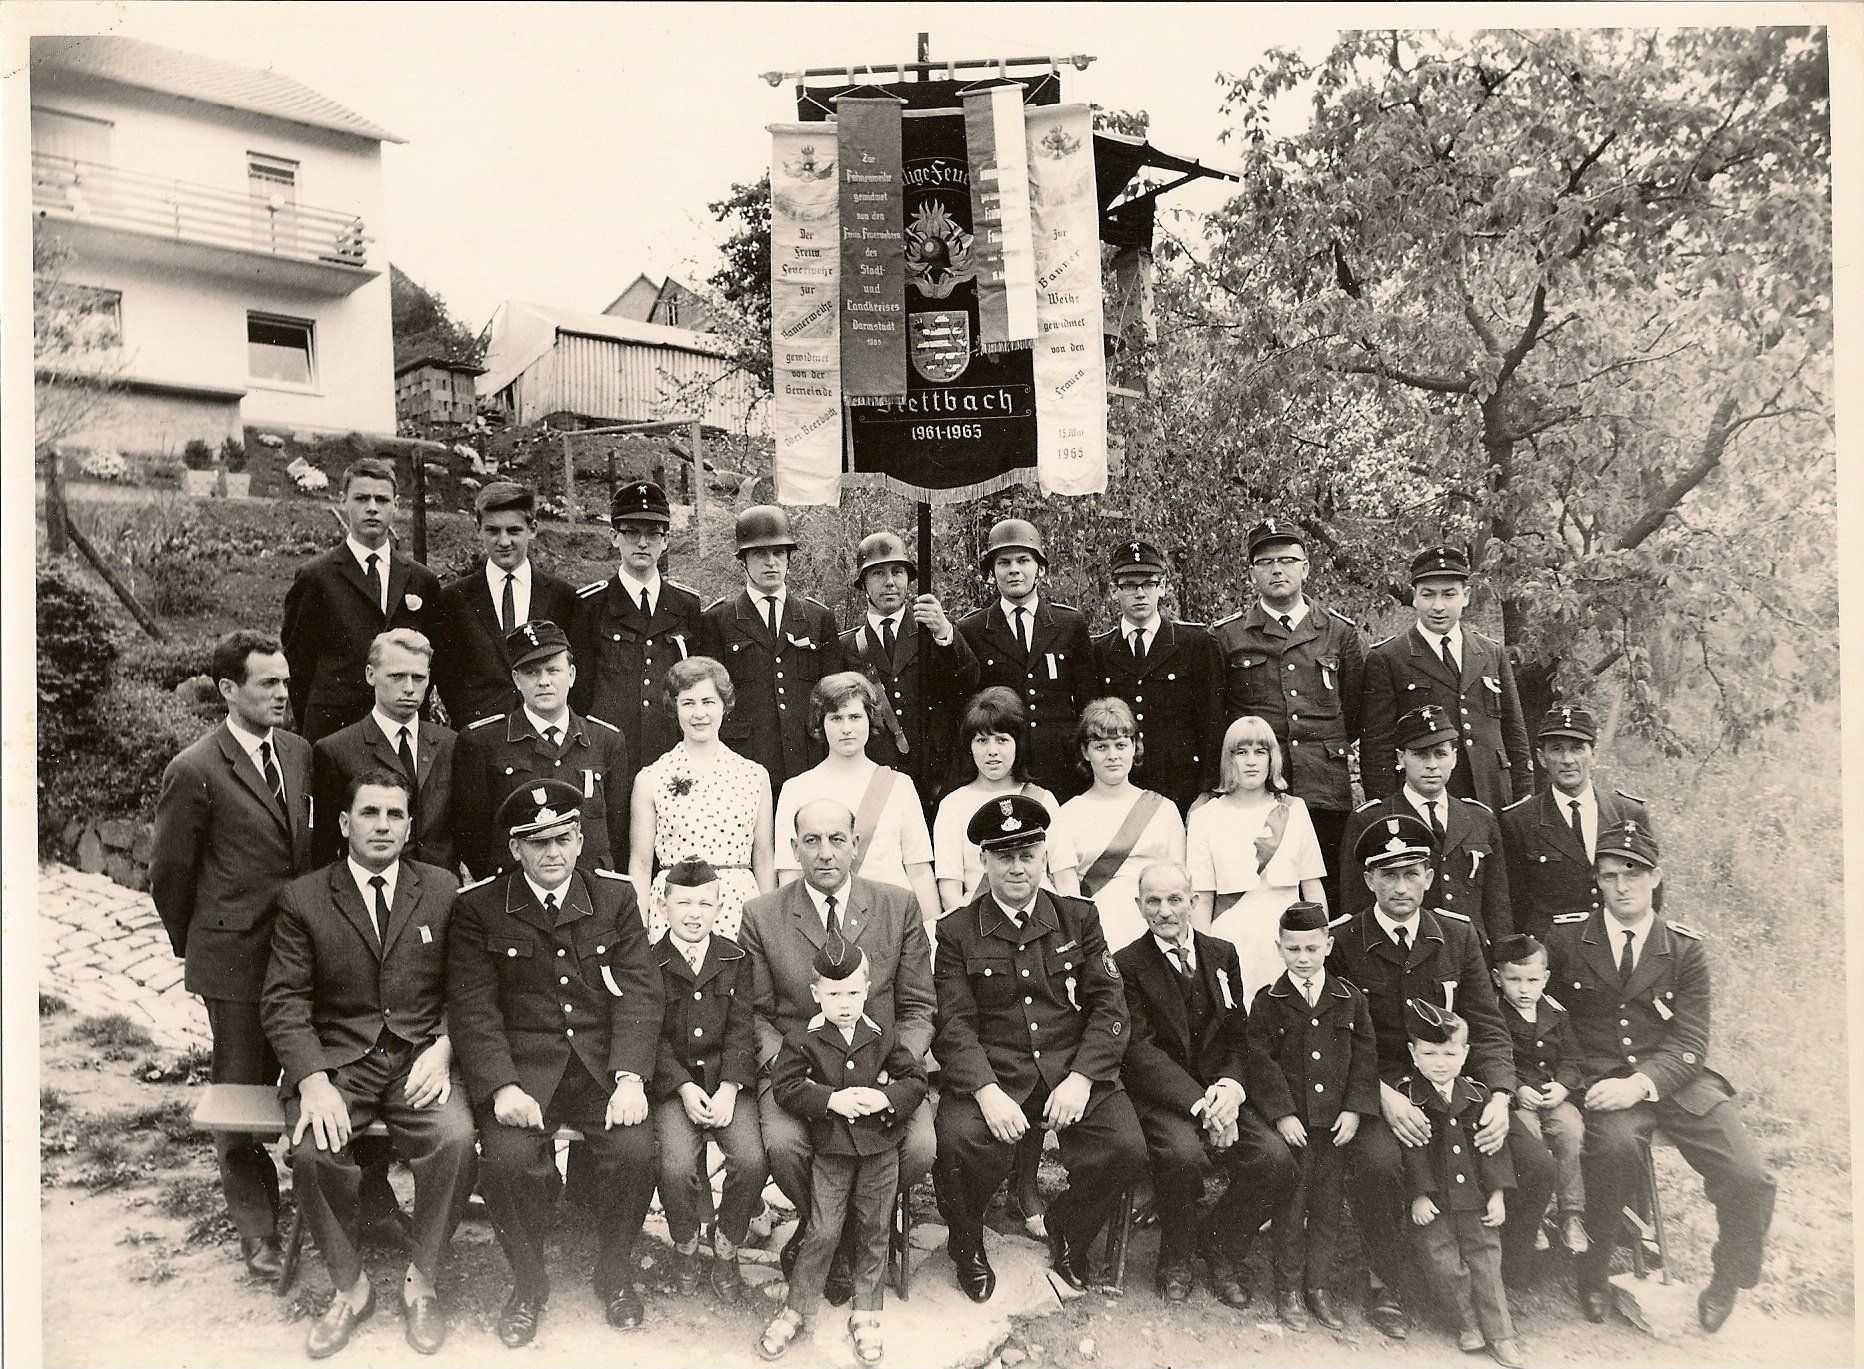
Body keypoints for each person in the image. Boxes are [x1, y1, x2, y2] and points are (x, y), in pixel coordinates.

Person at [261, 771, 477, 1358]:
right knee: (312, 1151)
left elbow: (469, 986)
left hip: (417, 1058)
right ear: (344, 823)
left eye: (395, 815)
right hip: (337, 1063)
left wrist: (445, 1045)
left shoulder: (441, 890)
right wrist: (312, 1082)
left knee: (456, 1140)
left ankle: (422, 1280)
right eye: (369, 813)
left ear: (409, 827)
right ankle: (350, 1288)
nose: (382, 826)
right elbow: (283, 1002)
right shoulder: (305, 898)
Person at [446, 780, 664, 1346]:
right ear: (515, 848)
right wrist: (500, 1087)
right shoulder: (479, 907)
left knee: (637, 1151)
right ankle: (528, 1283)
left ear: (580, 840)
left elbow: (640, 992)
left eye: (563, 838)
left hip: (599, 1069)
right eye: (537, 841)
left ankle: (614, 1274)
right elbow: (473, 1006)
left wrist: (630, 1078)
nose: (552, 852)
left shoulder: (614, 898)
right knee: (507, 1162)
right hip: (523, 1074)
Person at [1327, 813, 1553, 1340]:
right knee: (1380, 1165)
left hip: (1457, 1088)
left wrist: (1499, 1097)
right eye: (1388, 874)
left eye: (1412, 873)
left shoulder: (1457, 934)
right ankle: (1391, 1282)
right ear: (1369, 880)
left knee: (1536, 1165)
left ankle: (1493, 1280)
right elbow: (1336, 1041)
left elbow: (1489, 1026)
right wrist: (1381, 1097)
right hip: (1380, 1086)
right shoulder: (1344, 941)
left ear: (1429, 877)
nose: (1401, 887)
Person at [1547, 820, 1774, 1333]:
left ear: (1655, 877)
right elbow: (1553, 1023)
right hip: (1602, 1079)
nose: (1622, 887)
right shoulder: (1566, 939)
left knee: (1749, 1177)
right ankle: (1593, 1271)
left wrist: (1641, 1083)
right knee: (1614, 1151)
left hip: (1677, 1080)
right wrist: (1579, 1080)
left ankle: (1728, 1279)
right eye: (1609, 876)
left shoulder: (1684, 948)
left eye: (1633, 874)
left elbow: (1691, 1040)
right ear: (1597, 881)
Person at [933, 795, 1147, 1302]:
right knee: (957, 1143)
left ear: (1044, 856)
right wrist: (985, 1092)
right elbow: (954, 1025)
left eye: (1027, 855)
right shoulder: (956, 930)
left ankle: (1069, 1230)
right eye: (1004, 856)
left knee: (1126, 1147)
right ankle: (967, 1244)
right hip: (997, 1073)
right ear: (983, 860)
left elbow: (1110, 1007)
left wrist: (1083, 1079)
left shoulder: (1078, 918)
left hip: (1070, 1070)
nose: (1017, 868)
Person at [150, 631, 315, 1279]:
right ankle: (258, 1229)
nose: (283, 693)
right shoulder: (194, 768)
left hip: (300, 957)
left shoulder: (297, 752)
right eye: (267, 683)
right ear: (228, 689)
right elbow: (170, 874)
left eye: (285, 681)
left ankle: (335, 1205)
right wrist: (202, 948)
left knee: (310, 1080)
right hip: (235, 963)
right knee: (239, 1097)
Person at [737, 800, 937, 1306]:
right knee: (784, 1146)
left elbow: (918, 1006)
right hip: (798, 1072)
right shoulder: (762, 914)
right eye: (811, 841)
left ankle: (840, 1232)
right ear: (794, 847)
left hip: (882, 1067)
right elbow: (755, 1013)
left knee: (918, 1148)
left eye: (836, 840)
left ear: (855, 845)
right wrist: (798, 1074)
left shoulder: (898, 905)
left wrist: (893, 1070)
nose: (825, 853)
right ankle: (838, 1232)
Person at [1114, 862, 1294, 1307]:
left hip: (1221, 1092)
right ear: (1139, 906)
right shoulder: (1127, 964)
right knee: (1182, 1155)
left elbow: (1238, 1034)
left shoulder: (1221, 954)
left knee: (1274, 1158)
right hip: (1166, 1098)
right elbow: (1139, 1051)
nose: (1165, 911)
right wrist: (1201, 1104)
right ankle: (1176, 1256)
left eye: (1175, 900)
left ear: (1193, 902)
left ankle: (1222, 1245)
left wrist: (1230, 1087)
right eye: (1153, 901)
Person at [757, 946, 929, 1365]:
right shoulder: (803, 1038)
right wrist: (830, 1100)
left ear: (867, 990)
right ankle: (797, 1309)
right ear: (815, 994)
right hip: (832, 1153)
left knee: (874, 1229)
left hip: (880, 1152)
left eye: (853, 993)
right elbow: (785, 1087)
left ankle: (867, 1314)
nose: (845, 1004)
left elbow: (915, 1079)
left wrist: (886, 1098)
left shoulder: (883, 1034)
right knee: (823, 1229)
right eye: (834, 995)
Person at [1210, 517, 1364, 911]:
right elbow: (1219, 717)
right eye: (1265, 562)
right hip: (1257, 787)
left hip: (1323, 788)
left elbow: (1354, 713)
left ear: (1305, 568)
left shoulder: (1339, 633)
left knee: (1327, 893)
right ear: (1252, 573)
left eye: (1287, 560)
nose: (1277, 569)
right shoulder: (1228, 636)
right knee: (1259, 892)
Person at [1244, 901, 1377, 1333]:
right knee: (1290, 1207)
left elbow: (1365, 1059)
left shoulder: (1349, 999)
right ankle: (1288, 1291)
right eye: (1293, 949)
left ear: (1328, 946)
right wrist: (1282, 1115)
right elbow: (1260, 1061)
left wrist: (1354, 1110)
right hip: (1296, 1129)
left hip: (1334, 1129)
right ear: (1279, 948)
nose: (1303, 958)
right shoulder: (1269, 1002)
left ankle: (1317, 1288)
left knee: (1326, 1209)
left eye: (1312, 949)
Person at [651, 858, 765, 1302]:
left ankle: (727, 1245)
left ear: (720, 908)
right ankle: (685, 1244)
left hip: (727, 1085)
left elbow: (742, 1029)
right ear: (663, 907)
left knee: (752, 1161)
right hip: (675, 1086)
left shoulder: (736, 959)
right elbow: (651, 1035)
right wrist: (682, 1086)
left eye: (704, 903)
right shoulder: (650, 961)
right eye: (683, 903)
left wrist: (731, 1088)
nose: (694, 913)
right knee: (674, 1167)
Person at [1399, 1000, 1525, 1369]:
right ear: (1413, 1054)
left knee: (1486, 1262)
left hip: (1474, 1199)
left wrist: (1497, 1194)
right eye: (1429, 1053)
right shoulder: (1410, 1098)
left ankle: (1501, 1334)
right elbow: (1411, 1152)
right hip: (1436, 1204)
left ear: (1465, 1054)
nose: (1440, 1062)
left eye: (1449, 1053)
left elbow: (1493, 1150)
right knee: (1445, 1264)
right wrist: (1419, 1195)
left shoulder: (1478, 1095)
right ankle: (1467, 1324)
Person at [280, 457, 443, 743]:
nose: (372, 508)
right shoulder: (316, 576)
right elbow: (298, 661)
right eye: (361, 498)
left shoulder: (422, 580)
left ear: (396, 505)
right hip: (335, 729)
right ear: (343, 501)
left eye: (382, 499)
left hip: (402, 727)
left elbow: (433, 659)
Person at [452, 621, 630, 881]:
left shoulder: (606, 740)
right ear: (516, 679)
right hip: (514, 891)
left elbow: (618, 832)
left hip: (589, 890)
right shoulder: (482, 741)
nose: (544, 681)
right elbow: (472, 838)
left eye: (553, 670)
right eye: (532, 672)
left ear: (571, 675)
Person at [1362, 545, 1532, 813]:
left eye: (1449, 594)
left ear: (1466, 596)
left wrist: (1523, 800)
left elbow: (1514, 734)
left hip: (1492, 794)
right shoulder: (1389, 657)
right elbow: (1377, 747)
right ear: (1414, 598)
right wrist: (1387, 814)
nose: (1438, 606)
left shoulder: (1491, 652)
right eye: (1428, 595)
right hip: (1425, 801)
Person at [774, 674, 939, 933]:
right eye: (836, 718)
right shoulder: (797, 788)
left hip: (890, 920)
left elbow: (918, 871)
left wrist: (932, 934)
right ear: (820, 724)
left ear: (870, 720)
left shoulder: (899, 785)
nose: (846, 728)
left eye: (855, 717)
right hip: (823, 923)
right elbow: (790, 875)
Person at [698, 504, 845, 791]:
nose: (771, 562)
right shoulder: (717, 621)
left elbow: (834, 696)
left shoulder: (818, 618)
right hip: (742, 762)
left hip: (808, 759)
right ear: (743, 560)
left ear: (789, 558)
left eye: (779, 553)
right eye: (759, 554)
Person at [629, 656, 775, 941]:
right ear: (674, 707)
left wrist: (767, 925)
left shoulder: (753, 774)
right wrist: (638, 930)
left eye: (708, 702)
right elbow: (641, 863)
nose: (699, 713)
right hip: (676, 905)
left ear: (724, 705)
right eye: (688, 703)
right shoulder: (651, 777)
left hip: (738, 905)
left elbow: (764, 857)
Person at [1340, 703, 1512, 943]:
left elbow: (1498, 905)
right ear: (1401, 758)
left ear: (1454, 758)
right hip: (1403, 950)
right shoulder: (1371, 819)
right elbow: (1355, 905)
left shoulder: (1480, 818)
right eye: (1420, 754)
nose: (1432, 765)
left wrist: (1502, 954)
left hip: (1471, 951)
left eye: (1440, 754)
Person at [1185, 715, 1327, 998]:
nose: (1251, 761)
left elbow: (1312, 888)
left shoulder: (1294, 810)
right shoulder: (1205, 817)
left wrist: (1316, 942)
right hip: (1231, 940)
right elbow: (1202, 900)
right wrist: (1205, 960)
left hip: (1287, 941)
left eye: (1260, 752)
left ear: (1272, 758)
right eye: (1241, 752)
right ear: (1229, 759)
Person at [838, 530, 979, 815]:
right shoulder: (848, 645)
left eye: (898, 572)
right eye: (878, 573)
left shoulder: (935, 630)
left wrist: (944, 633)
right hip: (876, 777)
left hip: (936, 777)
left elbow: (969, 682)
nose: (890, 582)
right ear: (863, 583)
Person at [956, 518, 1095, 802]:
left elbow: (1087, 700)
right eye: (1004, 562)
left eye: (1023, 560)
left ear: (1040, 568)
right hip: (1002, 769)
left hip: (1061, 766)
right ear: (992, 572)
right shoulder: (972, 629)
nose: (1014, 570)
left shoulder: (1070, 624)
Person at [571, 479, 707, 770]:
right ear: (614, 537)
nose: (643, 543)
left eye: (653, 534)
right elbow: (580, 691)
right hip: (609, 754)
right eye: (632, 532)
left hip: (672, 752)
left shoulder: (686, 605)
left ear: (666, 540)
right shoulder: (590, 605)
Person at [431, 480, 581, 728]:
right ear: (478, 529)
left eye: (514, 531)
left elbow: (574, 672)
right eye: (493, 531)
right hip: (480, 735)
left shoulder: (563, 597)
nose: (503, 541)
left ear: (532, 529)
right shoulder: (453, 599)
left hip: (545, 734)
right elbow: (446, 677)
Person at [1087, 539, 1222, 813]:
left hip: (1183, 788)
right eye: (1129, 585)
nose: (1140, 593)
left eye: (1148, 584)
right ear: (1114, 591)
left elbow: (1213, 720)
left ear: (1162, 587)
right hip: (1120, 788)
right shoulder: (1098, 651)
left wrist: (1207, 791)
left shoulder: (1195, 644)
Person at [1501, 703, 1654, 942]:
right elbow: (1511, 902)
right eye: (1556, 750)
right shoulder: (1519, 821)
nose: (1568, 760)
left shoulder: (1628, 813)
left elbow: (1650, 891)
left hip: (1613, 945)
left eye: (1577, 748)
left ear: (1594, 754)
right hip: (1550, 949)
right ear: (1541, 758)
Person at [1048, 698, 1187, 952]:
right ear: (1085, 752)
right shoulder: (1066, 814)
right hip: (1095, 937)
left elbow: (1180, 885)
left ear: (1134, 748)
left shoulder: (1163, 809)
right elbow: (1067, 894)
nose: (1113, 756)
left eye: (1121, 745)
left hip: (1157, 933)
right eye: (1101, 746)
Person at [313, 630, 456, 870]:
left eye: (418, 678)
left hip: (440, 885)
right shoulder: (336, 750)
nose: (409, 688)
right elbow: (325, 847)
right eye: (397, 677)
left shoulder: (450, 743)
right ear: (371, 675)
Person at [1491, 934, 1588, 1257]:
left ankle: (1571, 1214)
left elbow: (1573, 1059)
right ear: (1497, 978)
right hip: (1518, 1100)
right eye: (1514, 980)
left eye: (1532, 980)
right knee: (1529, 1138)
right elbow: (1493, 1059)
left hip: (1553, 1097)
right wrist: (1517, 1088)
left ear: (1545, 979)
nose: (1524, 989)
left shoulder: (1556, 1013)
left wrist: (1563, 1086)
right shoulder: (1494, 1015)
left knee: (1570, 1131)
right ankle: (1536, 1216)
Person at [932, 687, 1063, 913]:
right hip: (982, 920)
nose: (992, 751)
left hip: (1041, 919)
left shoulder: (1043, 799)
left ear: (1018, 744)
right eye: (982, 740)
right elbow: (949, 890)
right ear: (969, 746)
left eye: (1002, 740)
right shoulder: (953, 805)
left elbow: (1065, 878)